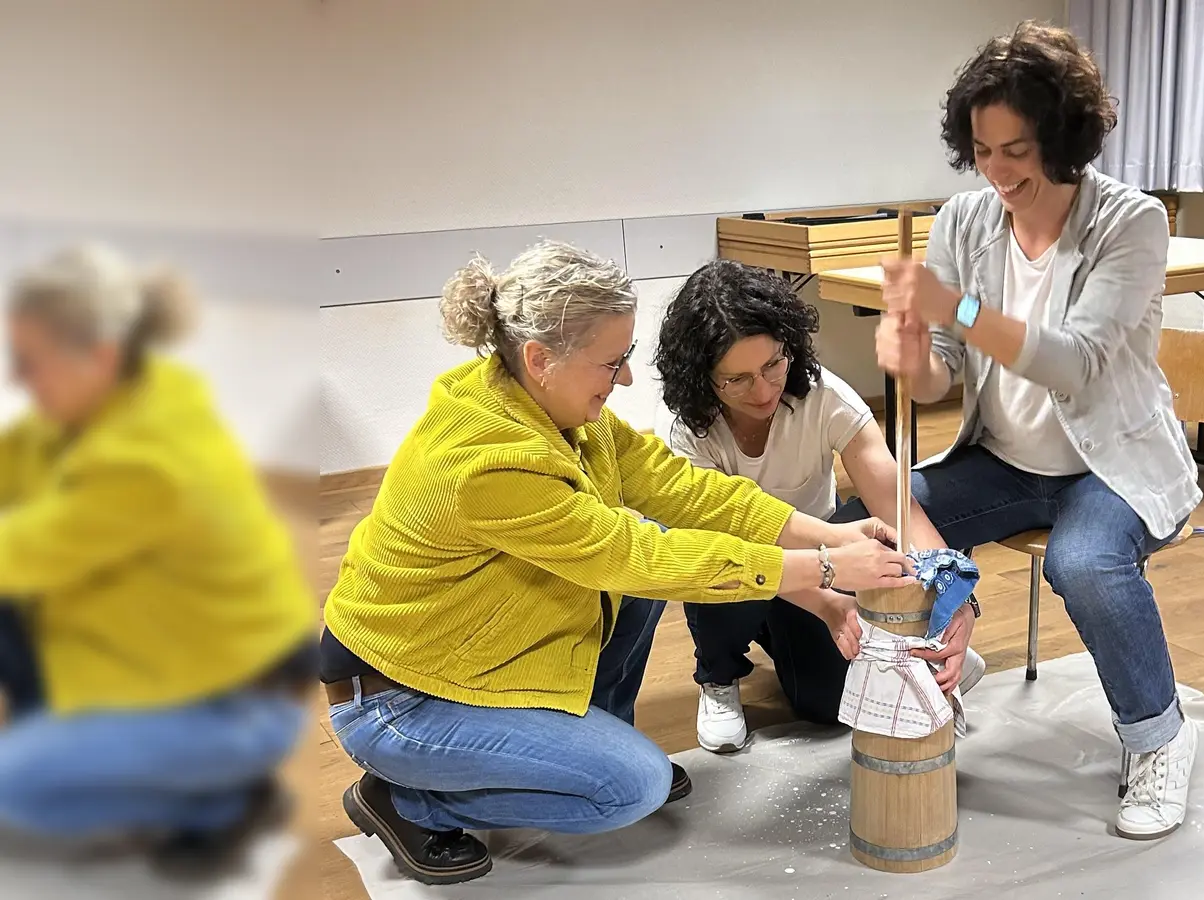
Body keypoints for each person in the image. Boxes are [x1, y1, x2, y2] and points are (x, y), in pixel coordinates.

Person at [322, 241, 917, 886]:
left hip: (473, 650)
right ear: (540, 358)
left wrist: (820, 537)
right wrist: (826, 572)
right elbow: (639, 557)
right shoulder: (489, 459)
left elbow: (681, 490)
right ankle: (407, 799)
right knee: (628, 790)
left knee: (644, 585)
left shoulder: (555, 406)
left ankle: (592, 744)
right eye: (612, 362)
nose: (626, 379)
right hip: (400, 699)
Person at [874, 21, 1202, 841]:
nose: (997, 170)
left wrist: (955, 309)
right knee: (880, 512)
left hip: (1111, 465)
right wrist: (911, 356)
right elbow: (942, 374)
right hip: (1005, 459)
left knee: (1084, 562)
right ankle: (954, 648)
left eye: (1016, 149)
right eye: (982, 150)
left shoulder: (1131, 223)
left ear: (1064, 136)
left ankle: (1160, 737)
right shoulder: (964, 221)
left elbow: (1078, 362)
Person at [0, 244, 317, 874]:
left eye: (31, 363)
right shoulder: (107, 398)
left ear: (100, 355)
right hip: (162, 651)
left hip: (241, 701)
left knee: (16, 788)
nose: (19, 380)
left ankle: (221, 798)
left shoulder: (149, 458)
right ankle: (115, 749)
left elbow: (17, 554)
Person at [653, 259, 985, 753]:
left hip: (819, 559)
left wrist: (956, 593)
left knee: (827, 704)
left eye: (772, 364)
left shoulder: (824, 395)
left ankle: (912, 646)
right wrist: (831, 607)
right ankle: (718, 677)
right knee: (714, 567)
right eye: (738, 380)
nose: (764, 389)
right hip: (749, 565)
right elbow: (730, 541)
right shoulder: (692, 433)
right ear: (704, 378)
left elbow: (897, 504)